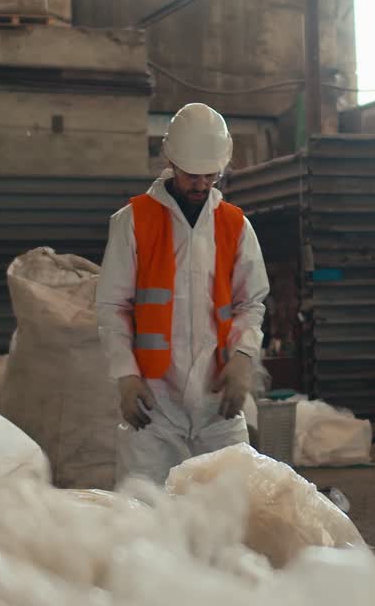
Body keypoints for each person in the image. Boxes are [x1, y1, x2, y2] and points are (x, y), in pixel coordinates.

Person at [97, 102, 269, 486]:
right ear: (170, 160)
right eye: (193, 175)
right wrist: (125, 376)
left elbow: (250, 302)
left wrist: (243, 358)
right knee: (147, 518)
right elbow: (113, 306)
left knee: (231, 515)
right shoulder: (133, 222)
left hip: (217, 399)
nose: (202, 185)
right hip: (154, 403)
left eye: (212, 175)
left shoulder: (235, 225)